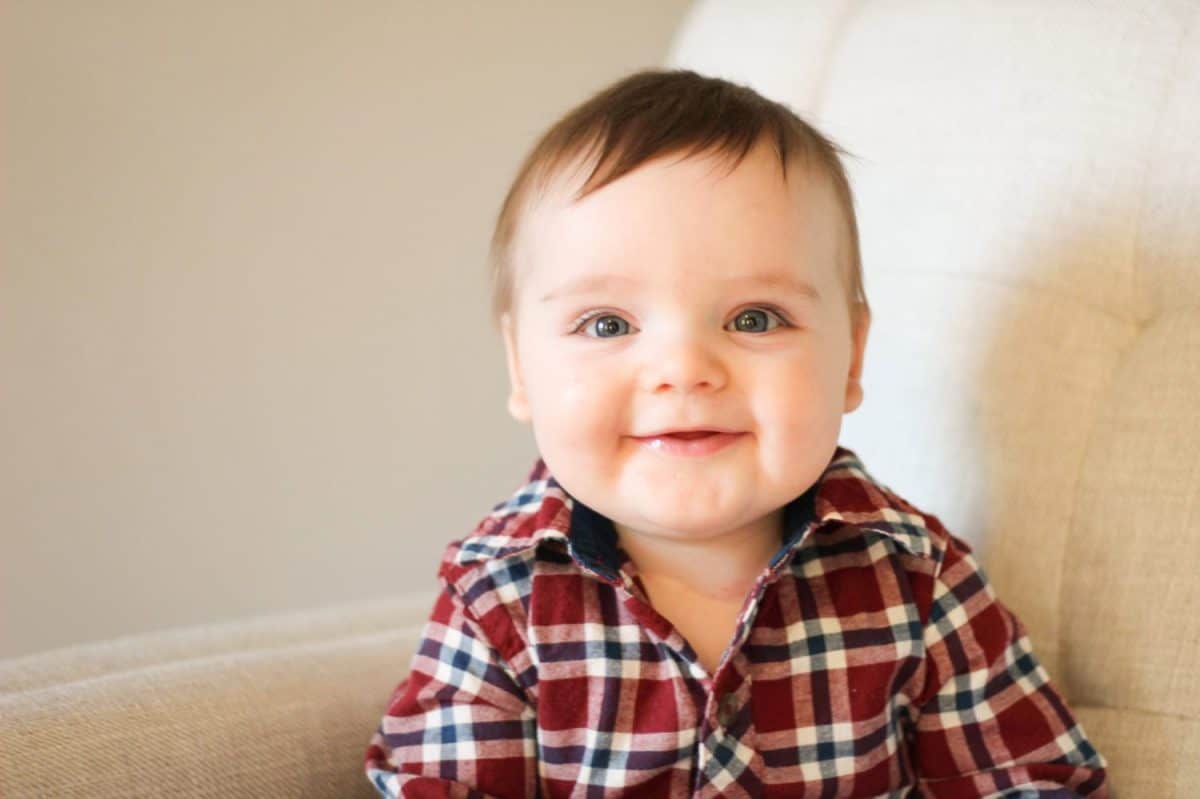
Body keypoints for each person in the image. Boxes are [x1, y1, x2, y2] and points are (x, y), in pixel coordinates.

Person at [363, 68, 1109, 798]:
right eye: (607, 323)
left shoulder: (916, 579)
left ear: (850, 354)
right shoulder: (499, 596)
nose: (684, 369)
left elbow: (1032, 780)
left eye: (754, 318)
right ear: (521, 367)